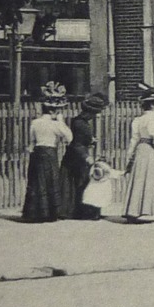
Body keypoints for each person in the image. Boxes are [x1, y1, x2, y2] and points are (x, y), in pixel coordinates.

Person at [121, 84, 154, 223]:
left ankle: (134, 211)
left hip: (140, 149)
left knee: (140, 179)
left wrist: (130, 156)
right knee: (153, 179)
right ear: (152, 105)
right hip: (150, 150)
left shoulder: (138, 120)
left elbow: (134, 139)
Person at [21, 81, 71, 223]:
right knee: (50, 181)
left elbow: (31, 142)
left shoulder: (35, 123)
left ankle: (34, 213)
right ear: (53, 110)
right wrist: (61, 121)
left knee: (37, 182)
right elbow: (69, 137)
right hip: (50, 153)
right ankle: (49, 213)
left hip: (37, 153)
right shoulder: (55, 124)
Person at [61, 91, 109, 220]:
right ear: (90, 112)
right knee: (81, 183)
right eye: (94, 113)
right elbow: (76, 143)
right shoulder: (80, 123)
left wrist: (90, 140)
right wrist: (86, 156)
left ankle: (83, 211)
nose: (95, 116)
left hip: (77, 155)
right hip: (77, 157)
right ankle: (82, 212)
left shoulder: (79, 122)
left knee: (81, 182)